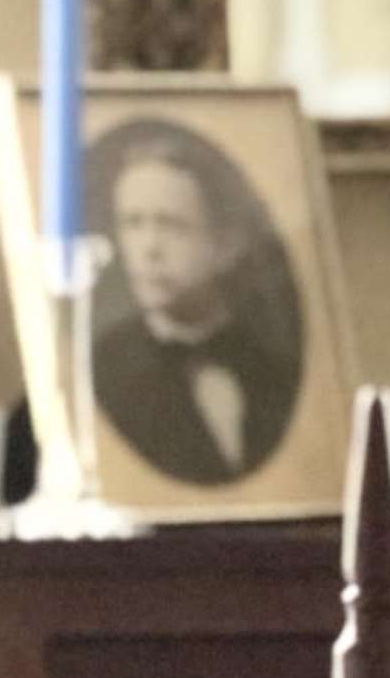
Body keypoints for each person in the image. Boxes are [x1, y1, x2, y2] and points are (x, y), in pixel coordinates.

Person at [88, 120, 307, 488]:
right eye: (133, 224)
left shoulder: (274, 371)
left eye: (171, 225)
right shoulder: (100, 377)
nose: (149, 249)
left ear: (227, 245)